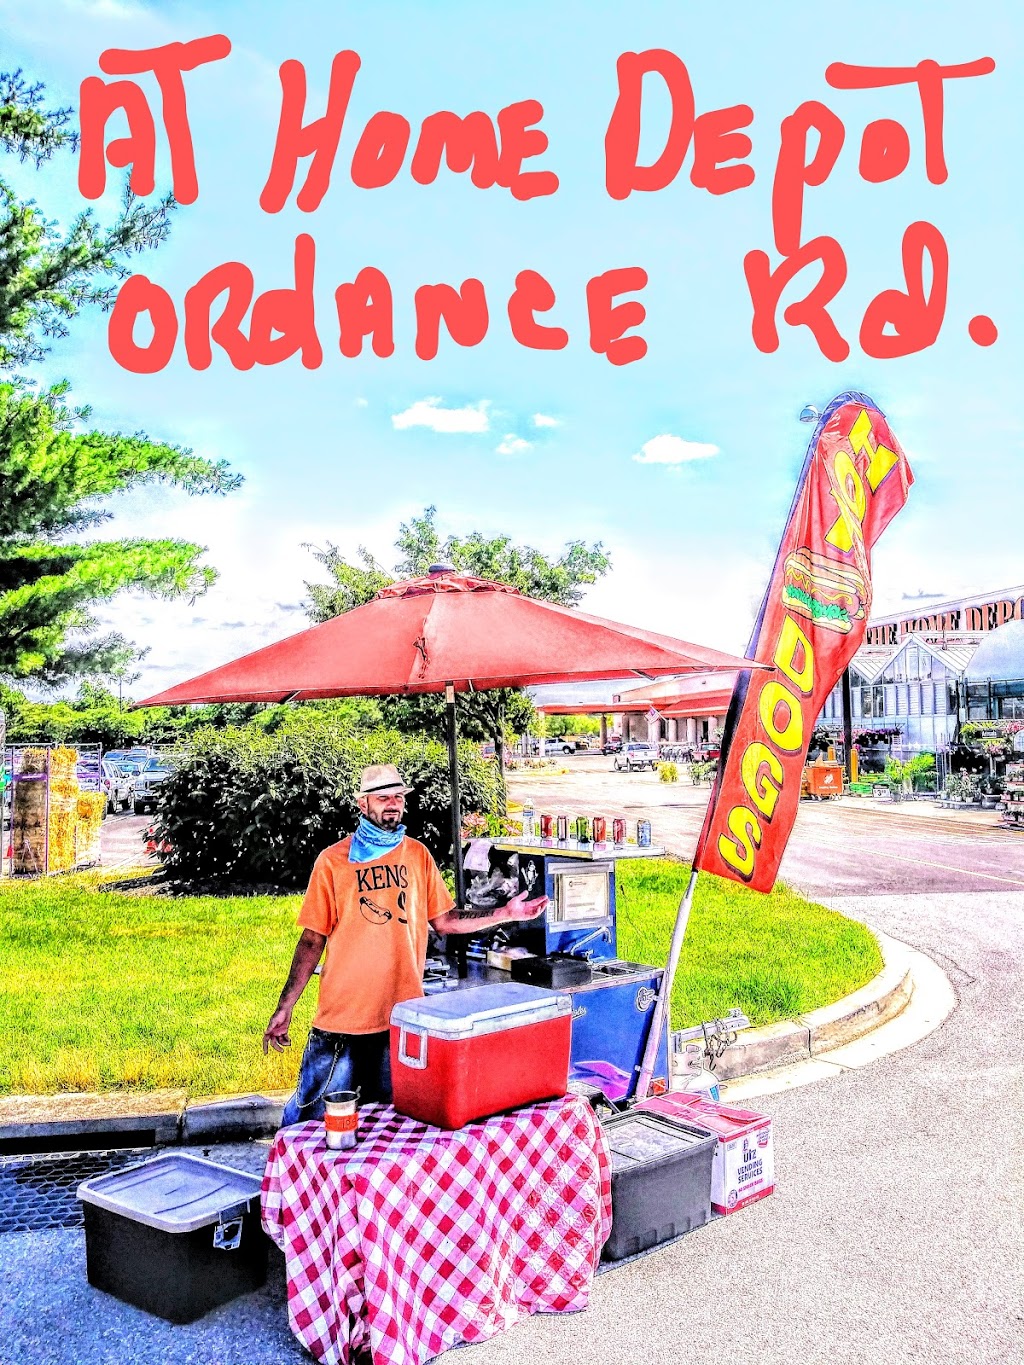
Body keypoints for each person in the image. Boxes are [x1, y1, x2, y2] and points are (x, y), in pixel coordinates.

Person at [264, 763, 547, 1125]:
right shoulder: (333, 861)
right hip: (342, 1022)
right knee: (312, 1123)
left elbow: (445, 920)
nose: (393, 804)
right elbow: (311, 940)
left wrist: (504, 913)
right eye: (383, 797)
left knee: (394, 1125)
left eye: (398, 797)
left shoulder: (417, 855)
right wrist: (285, 1007)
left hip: (403, 1020)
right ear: (363, 804)